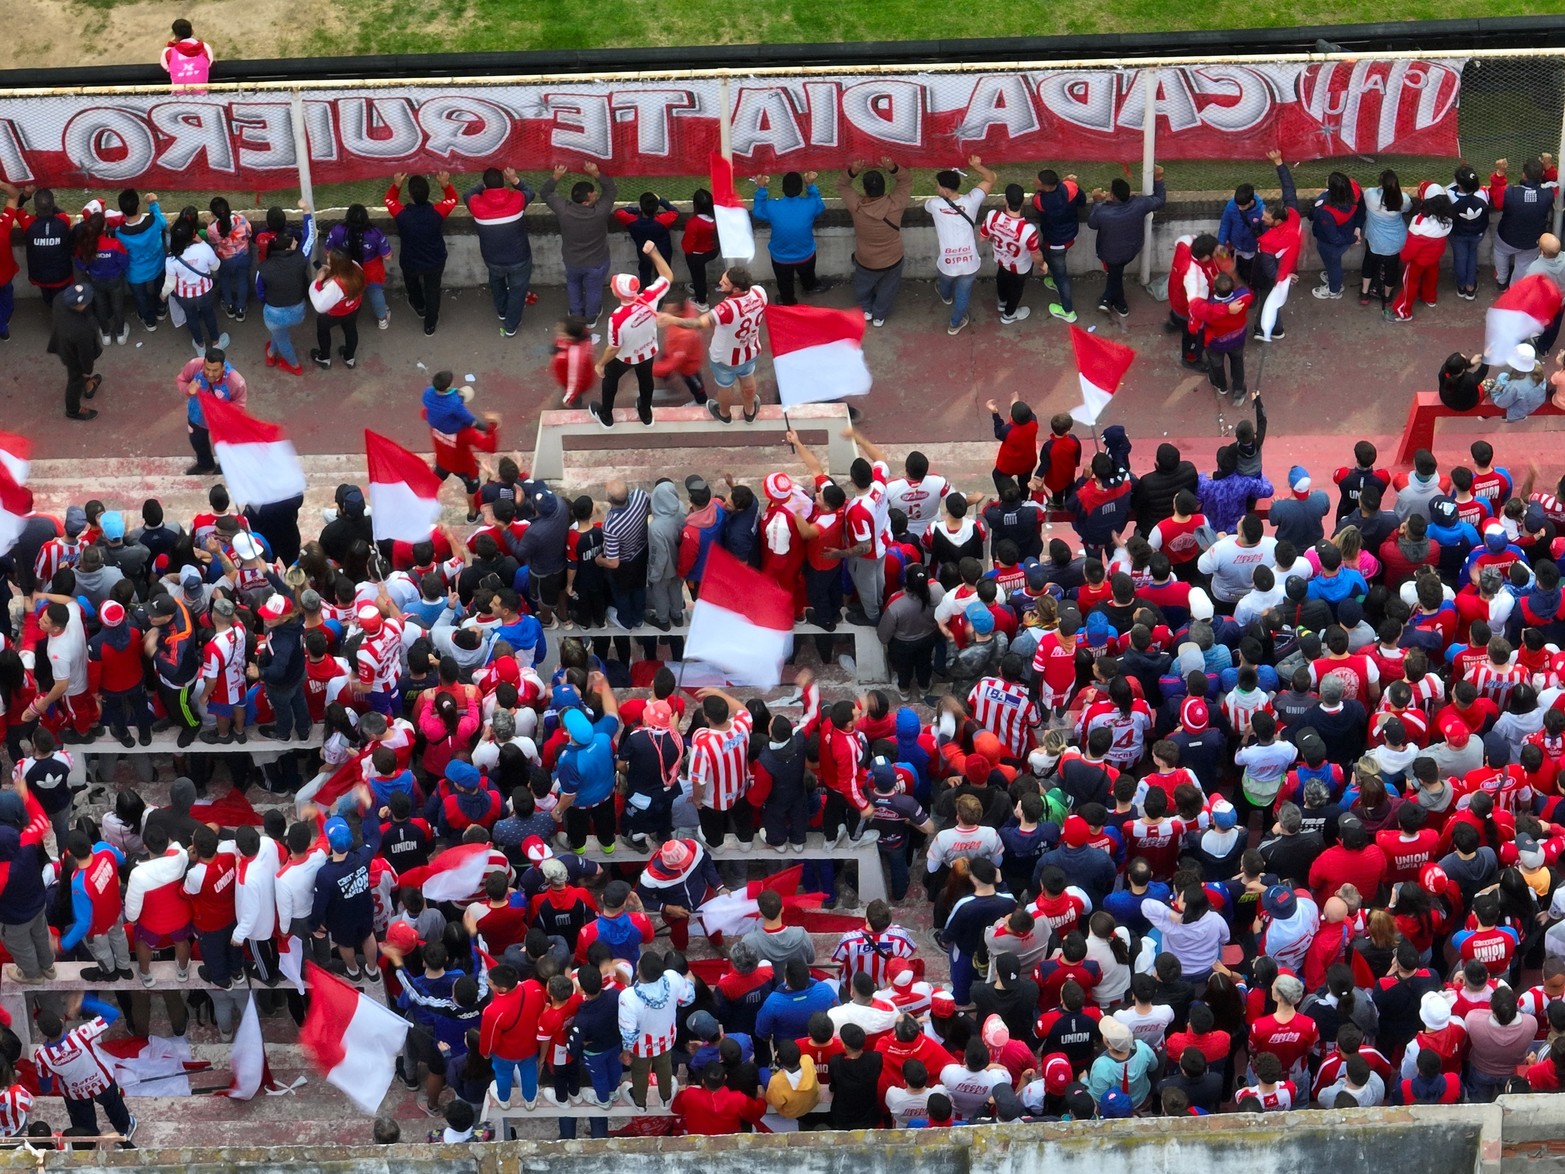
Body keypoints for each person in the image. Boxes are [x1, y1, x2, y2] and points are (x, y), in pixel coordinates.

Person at [659, 263, 768, 424]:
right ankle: (750, 411)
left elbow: (697, 324)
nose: (720, 283)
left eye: (724, 283)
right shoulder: (760, 293)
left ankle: (724, 413)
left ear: (736, 289)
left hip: (724, 357)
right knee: (747, 378)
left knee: (725, 386)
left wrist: (672, 319)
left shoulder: (726, 308)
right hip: (750, 350)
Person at [591, 242, 673, 429]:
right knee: (646, 380)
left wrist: (600, 364)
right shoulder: (649, 296)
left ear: (617, 292)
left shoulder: (617, 318)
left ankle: (606, 416)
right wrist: (654, 252)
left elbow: (614, 348)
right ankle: (645, 412)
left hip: (625, 357)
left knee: (610, 378)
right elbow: (667, 275)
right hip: (648, 351)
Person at [33, 1001, 136, 1140]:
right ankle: (124, 1129)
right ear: (61, 1021)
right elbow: (112, 1013)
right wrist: (84, 1002)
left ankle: (88, 1141)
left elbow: (45, 1087)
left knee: (83, 1122)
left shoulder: (41, 1056)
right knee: (114, 1106)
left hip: (75, 1092)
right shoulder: (82, 1034)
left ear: (42, 1032)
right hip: (102, 1081)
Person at [925, 156, 996, 336]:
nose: (936, 188)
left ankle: (946, 296)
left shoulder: (933, 204)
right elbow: (991, 178)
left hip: (947, 264)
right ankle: (954, 324)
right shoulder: (971, 200)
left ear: (946, 191)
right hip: (970, 262)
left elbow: (928, 205)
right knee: (963, 294)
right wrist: (977, 166)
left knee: (945, 282)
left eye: (938, 185)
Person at [539, 163, 617, 325]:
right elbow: (611, 190)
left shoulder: (564, 210)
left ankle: (576, 313)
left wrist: (556, 177)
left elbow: (545, 193)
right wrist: (596, 173)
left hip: (572, 260)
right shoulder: (599, 211)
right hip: (597, 262)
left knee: (573, 285)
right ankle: (590, 318)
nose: (596, 194)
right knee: (593, 289)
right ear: (586, 201)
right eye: (593, 194)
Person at [839, 157, 913, 327]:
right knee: (888, 289)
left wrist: (853, 171)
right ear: (884, 187)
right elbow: (906, 180)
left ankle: (866, 309)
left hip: (866, 259)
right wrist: (892, 167)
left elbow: (842, 185)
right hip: (893, 259)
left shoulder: (856, 207)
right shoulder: (896, 204)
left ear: (864, 189)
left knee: (863, 285)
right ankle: (879, 316)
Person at [464, 167, 536, 337]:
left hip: (492, 258)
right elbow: (529, 192)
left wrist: (482, 185)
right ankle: (510, 326)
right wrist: (515, 179)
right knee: (518, 291)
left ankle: (502, 310)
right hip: (519, 258)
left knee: (496, 282)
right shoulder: (517, 199)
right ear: (503, 182)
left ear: (486, 186)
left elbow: (467, 194)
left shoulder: (475, 203)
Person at [1086, 165, 1166, 316]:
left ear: (1113, 196)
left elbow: (1092, 224)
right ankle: (1107, 300)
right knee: (1115, 274)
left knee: (1115, 275)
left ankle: (1119, 304)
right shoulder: (1139, 204)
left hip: (1111, 254)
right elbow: (1160, 200)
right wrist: (1158, 178)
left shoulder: (1103, 212)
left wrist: (1096, 201)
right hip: (1131, 250)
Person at [385, 170, 458, 335]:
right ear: (428, 194)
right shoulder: (437, 212)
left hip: (410, 260)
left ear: (409, 195)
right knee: (433, 291)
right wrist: (445, 184)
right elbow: (453, 199)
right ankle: (430, 324)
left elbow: (389, 200)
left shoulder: (402, 215)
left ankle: (419, 306)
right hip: (435, 261)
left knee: (412, 285)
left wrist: (396, 185)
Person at [752, 171, 827, 304]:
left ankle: (788, 300)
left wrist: (762, 189)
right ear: (800, 189)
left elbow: (758, 211)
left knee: (784, 282)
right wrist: (811, 185)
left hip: (781, 258)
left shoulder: (772, 206)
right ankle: (810, 287)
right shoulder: (810, 204)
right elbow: (820, 205)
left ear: (782, 189)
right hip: (806, 254)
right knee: (808, 275)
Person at [255, 205, 314, 376]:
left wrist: (269, 304)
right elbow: (309, 237)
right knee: (279, 334)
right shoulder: (300, 259)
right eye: (294, 242)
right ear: (287, 248)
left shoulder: (263, 268)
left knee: (281, 337)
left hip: (274, 315)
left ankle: (295, 366)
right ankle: (273, 354)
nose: (296, 242)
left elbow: (261, 294)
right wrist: (306, 212)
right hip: (299, 312)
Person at [161, 206, 226, 355]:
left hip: (184, 296)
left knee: (191, 318)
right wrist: (202, 243)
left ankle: (200, 345)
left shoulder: (171, 258)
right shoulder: (203, 249)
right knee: (209, 314)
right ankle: (216, 342)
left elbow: (170, 283)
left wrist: (163, 295)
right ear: (193, 235)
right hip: (205, 292)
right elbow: (216, 265)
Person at [176, 347, 246, 476]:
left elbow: (240, 404)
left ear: (223, 367)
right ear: (204, 364)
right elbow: (181, 380)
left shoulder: (236, 381)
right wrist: (188, 390)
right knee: (198, 442)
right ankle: (205, 464)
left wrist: (222, 412)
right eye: (207, 369)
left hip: (222, 423)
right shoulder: (194, 365)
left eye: (215, 370)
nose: (210, 374)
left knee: (225, 447)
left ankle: (224, 467)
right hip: (197, 418)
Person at [982, 183, 1045, 325]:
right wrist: (1042, 265)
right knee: (1016, 288)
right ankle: (1009, 314)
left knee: (1002, 276)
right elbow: (1036, 255)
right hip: (1020, 265)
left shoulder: (992, 216)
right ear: (1023, 202)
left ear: (1005, 200)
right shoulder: (1029, 230)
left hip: (1000, 257)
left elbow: (982, 238)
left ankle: (1002, 302)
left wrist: (1000, 237)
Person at [324, 204, 392, 332]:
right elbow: (388, 256)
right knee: (375, 292)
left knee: (347, 292)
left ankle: (346, 318)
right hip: (371, 269)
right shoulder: (375, 232)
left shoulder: (337, 230)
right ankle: (382, 319)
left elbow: (328, 252)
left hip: (346, 268)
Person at [1032, 167, 1086, 323]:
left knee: (1061, 276)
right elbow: (1081, 201)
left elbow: (1037, 204)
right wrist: (1069, 182)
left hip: (1055, 242)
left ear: (1047, 187)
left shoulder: (1040, 200)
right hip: (1070, 235)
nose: (1035, 182)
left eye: (1038, 182)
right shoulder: (1070, 187)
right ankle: (1056, 281)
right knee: (1055, 266)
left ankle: (1068, 311)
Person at [1489, 157, 1552, 289]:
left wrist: (1500, 174)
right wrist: (1549, 167)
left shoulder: (1509, 192)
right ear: (1542, 174)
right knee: (1523, 265)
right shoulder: (1549, 193)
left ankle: (1501, 281)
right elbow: (1556, 182)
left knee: (1500, 253)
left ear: (1523, 174)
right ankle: (1515, 289)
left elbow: (1496, 195)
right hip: (1532, 241)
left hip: (1507, 237)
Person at [71, 206, 129, 347]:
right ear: (104, 226)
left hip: (95, 281)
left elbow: (81, 266)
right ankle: (120, 334)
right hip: (114, 281)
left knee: (100, 306)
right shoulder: (114, 244)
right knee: (117, 306)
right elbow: (125, 262)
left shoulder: (84, 246)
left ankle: (106, 334)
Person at [47, 282, 102, 422]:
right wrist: (87, 370)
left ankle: (87, 385)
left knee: (76, 376)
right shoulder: (82, 329)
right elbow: (86, 353)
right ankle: (73, 410)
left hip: (62, 344)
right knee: (75, 379)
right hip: (74, 355)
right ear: (80, 305)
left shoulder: (59, 299)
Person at [1309, 172, 1365, 300]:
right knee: (1334, 264)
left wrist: (1354, 238)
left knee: (1332, 265)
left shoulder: (1325, 209)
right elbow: (1362, 208)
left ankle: (1334, 289)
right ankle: (1334, 277)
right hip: (1347, 233)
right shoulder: (1355, 190)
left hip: (1331, 244)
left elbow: (1334, 238)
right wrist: (1357, 228)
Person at [308, 249, 366, 371]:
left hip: (335, 314)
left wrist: (318, 282)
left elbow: (320, 305)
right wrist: (331, 271)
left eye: (329, 259)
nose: (327, 259)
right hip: (354, 307)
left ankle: (324, 358)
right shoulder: (355, 266)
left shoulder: (334, 285)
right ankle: (349, 358)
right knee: (351, 329)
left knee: (323, 329)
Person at [159, 17, 212, 89]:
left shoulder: (167, 52)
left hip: (178, 98)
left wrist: (171, 44)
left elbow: (167, 67)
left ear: (175, 35)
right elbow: (208, 64)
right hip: (202, 97)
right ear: (192, 31)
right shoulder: (205, 47)